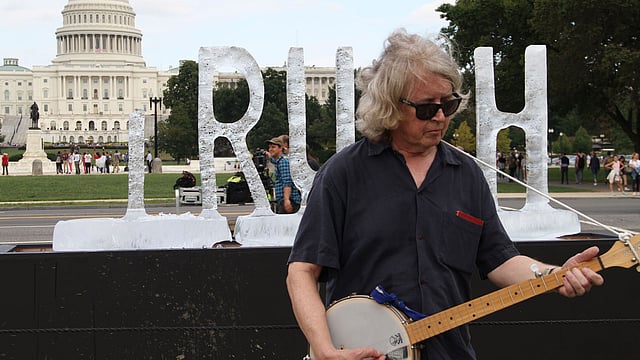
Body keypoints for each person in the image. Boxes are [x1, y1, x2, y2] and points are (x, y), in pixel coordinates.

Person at [286, 29, 603, 360]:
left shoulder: (467, 176)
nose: (440, 116)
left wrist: (553, 275)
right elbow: (302, 272)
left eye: (448, 104)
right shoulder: (343, 174)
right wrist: (323, 350)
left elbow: (500, 260)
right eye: (426, 108)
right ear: (390, 106)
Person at [266, 136, 301, 214]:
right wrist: (268, 156)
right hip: (284, 199)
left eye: (273, 147)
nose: (270, 149)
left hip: (290, 200)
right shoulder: (280, 161)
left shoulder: (283, 162)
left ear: (281, 148)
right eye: (269, 147)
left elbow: (287, 182)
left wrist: (286, 200)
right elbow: (275, 162)